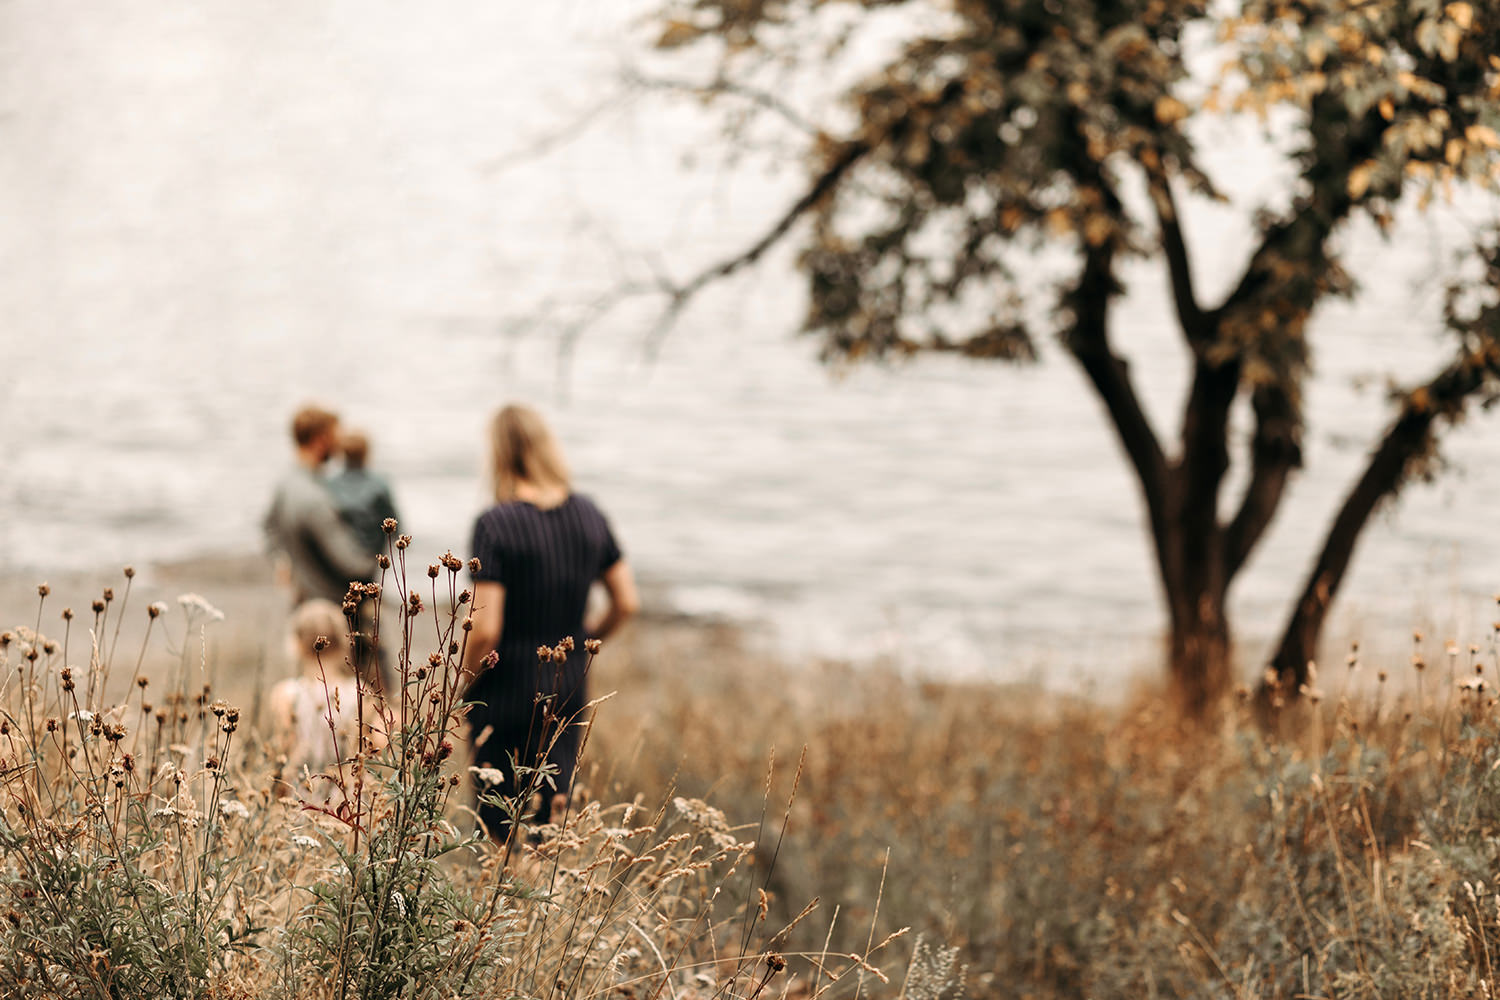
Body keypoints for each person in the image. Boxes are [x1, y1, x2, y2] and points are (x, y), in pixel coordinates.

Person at [461, 404, 639, 838]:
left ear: (499, 455)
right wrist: (585, 643)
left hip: (503, 692)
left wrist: (457, 684)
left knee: (498, 827)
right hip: (567, 686)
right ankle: (542, 906)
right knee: (547, 824)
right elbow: (627, 601)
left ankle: (499, 902)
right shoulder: (588, 514)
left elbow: (485, 630)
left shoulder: (495, 524)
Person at [268, 599, 386, 806]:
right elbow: (378, 746)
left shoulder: (285, 694)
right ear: (342, 643)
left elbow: (282, 753)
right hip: (349, 799)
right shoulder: (360, 692)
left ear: (295, 644)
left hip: (302, 797)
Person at [262, 405, 375, 607]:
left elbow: (268, 528)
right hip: (330, 605)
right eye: (336, 435)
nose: (340, 443)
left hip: (302, 599)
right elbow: (350, 565)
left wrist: (284, 564)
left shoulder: (286, 484)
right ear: (321, 440)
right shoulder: (315, 498)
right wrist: (378, 561)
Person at [327, 429, 401, 558]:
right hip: (371, 554)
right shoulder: (379, 484)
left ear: (343, 453)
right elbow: (393, 519)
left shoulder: (330, 484)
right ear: (366, 453)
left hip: (339, 555)